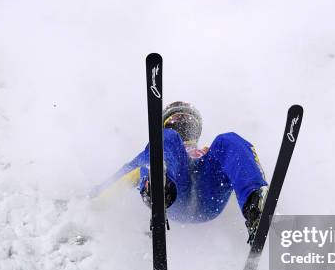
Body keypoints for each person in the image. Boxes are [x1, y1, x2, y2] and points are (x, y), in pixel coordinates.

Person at [93, 101, 269, 240]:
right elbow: (125, 175)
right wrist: (92, 201)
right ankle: (158, 185)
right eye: (174, 121)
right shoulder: (167, 142)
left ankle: (255, 203)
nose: (182, 125)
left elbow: (239, 165)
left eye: (188, 122)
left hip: (208, 193)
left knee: (228, 139)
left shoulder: (212, 153)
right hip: (175, 194)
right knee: (166, 140)